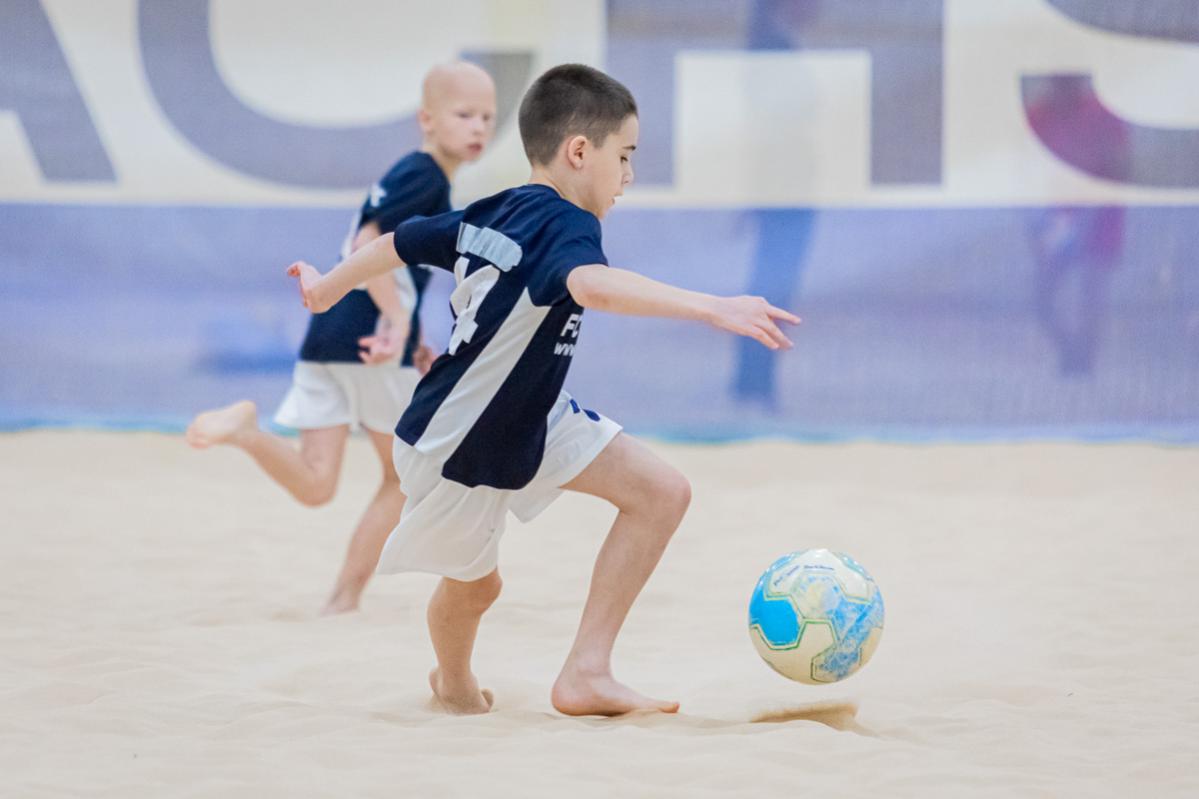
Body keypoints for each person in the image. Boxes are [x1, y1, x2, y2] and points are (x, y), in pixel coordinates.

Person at [288, 64, 799, 716]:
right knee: (476, 590)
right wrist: (711, 307)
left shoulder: (496, 207)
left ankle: (586, 672)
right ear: (579, 151)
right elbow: (591, 285)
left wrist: (327, 287)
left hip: (526, 412)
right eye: (624, 156)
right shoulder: (567, 224)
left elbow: (399, 241)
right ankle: (453, 682)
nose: (628, 176)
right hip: (460, 441)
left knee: (660, 492)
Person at [186, 62, 497, 614]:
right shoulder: (424, 174)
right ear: (427, 119)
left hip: (328, 333)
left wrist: (411, 330)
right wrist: (396, 323)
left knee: (315, 484)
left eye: (488, 118)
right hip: (370, 343)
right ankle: (343, 599)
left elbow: (388, 264)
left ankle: (247, 432)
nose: (478, 127)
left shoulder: (413, 176)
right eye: (464, 114)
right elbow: (365, 244)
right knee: (400, 480)